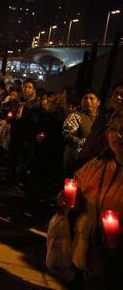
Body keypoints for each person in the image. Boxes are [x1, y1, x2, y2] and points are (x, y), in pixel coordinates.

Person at [58, 109, 123, 289]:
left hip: (115, 263)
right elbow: (76, 185)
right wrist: (68, 198)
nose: (117, 135)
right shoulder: (98, 164)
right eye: (113, 129)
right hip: (85, 250)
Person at [63, 90, 100, 176]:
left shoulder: (102, 119)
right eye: (85, 98)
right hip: (76, 159)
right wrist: (86, 143)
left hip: (94, 163)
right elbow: (68, 135)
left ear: (98, 102)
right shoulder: (75, 116)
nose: (88, 101)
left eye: (91, 98)